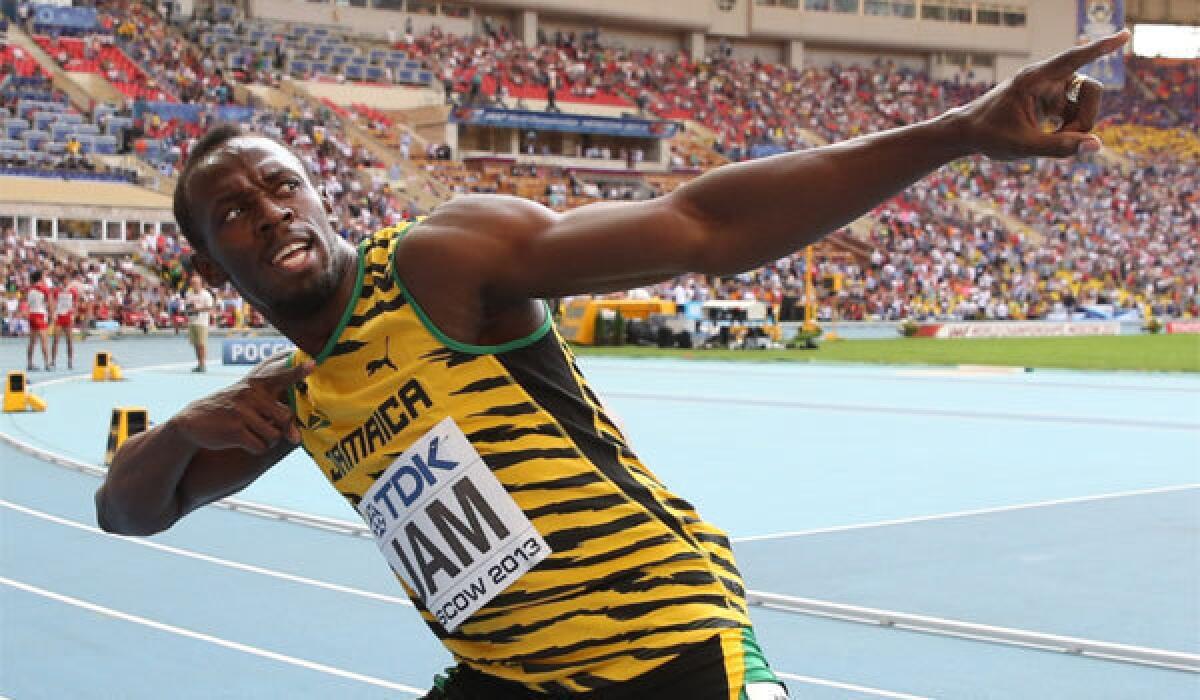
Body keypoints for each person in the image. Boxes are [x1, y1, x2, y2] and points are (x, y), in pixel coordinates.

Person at [94, 32, 1129, 700]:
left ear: (321, 197)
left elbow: (699, 226)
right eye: (233, 210)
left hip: (666, 648)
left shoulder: (438, 264)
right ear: (204, 257)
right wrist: (183, 430)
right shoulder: (297, 398)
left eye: (283, 185)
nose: (270, 210)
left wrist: (956, 133)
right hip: (509, 676)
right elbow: (127, 513)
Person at [49, 272, 81, 370]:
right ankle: (53, 361)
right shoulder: (57, 291)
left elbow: (76, 304)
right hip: (59, 316)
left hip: (68, 317)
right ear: (61, 281)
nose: (66, 282)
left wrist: (73, 316)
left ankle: (70, 361)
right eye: (64, 280)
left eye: (67, 280)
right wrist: (53, 314)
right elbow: (53, 302)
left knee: (69, 341)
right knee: (56, 340)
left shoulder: (73, 291)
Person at [183, 273, 214, 372]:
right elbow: (187, 307)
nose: (193, 285)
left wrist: (198, 309)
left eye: (195, 283)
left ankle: (203, 364)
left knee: (201, 344)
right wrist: (188, 312)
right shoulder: (189, 294)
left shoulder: (206, 294)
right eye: (192, 283)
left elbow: (210, 307)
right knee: (196, 344)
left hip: (202, 322)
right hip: (192, 322)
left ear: (200, 284)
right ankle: (199, 364)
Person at [25, 269, 50, 371]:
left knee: (32, 342)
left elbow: (28, 304)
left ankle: (30, 363)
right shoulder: (44, 288)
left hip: (32, 314)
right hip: (40, 314)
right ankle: (47, 364)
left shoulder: (30, 289)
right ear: (40, 278)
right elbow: (49, 302)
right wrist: (51, 315)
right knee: (44, 340)